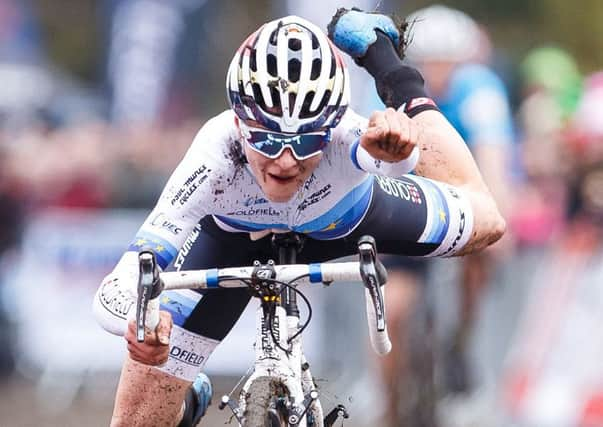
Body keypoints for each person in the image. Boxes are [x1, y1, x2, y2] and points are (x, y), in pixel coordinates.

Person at [92, 10, 505, 427]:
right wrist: (142, 322)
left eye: (307, 140)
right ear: (239, 122)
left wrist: (401, 143)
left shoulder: (346, 134)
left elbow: (408, 166)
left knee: (487, 221)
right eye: (267, 139)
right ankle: (188, 402)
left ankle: (384, 60)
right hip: (233, 237)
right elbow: (117, 288)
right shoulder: (214, 155)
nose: (285, 159)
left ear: (331, 127)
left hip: (345, 221)